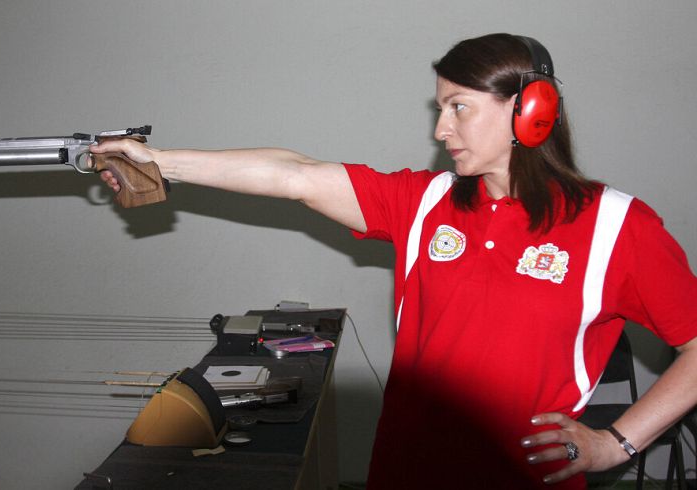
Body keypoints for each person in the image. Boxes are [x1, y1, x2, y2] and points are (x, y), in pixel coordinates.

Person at [92, 33, 697, 489]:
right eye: (440, 109)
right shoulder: (425, 202)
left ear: (529, 109)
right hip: (406, 469)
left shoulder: (617, 226)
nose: (441, 130)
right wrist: (158, 160)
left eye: (459, 107)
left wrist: (616, 444)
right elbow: (294, 175)